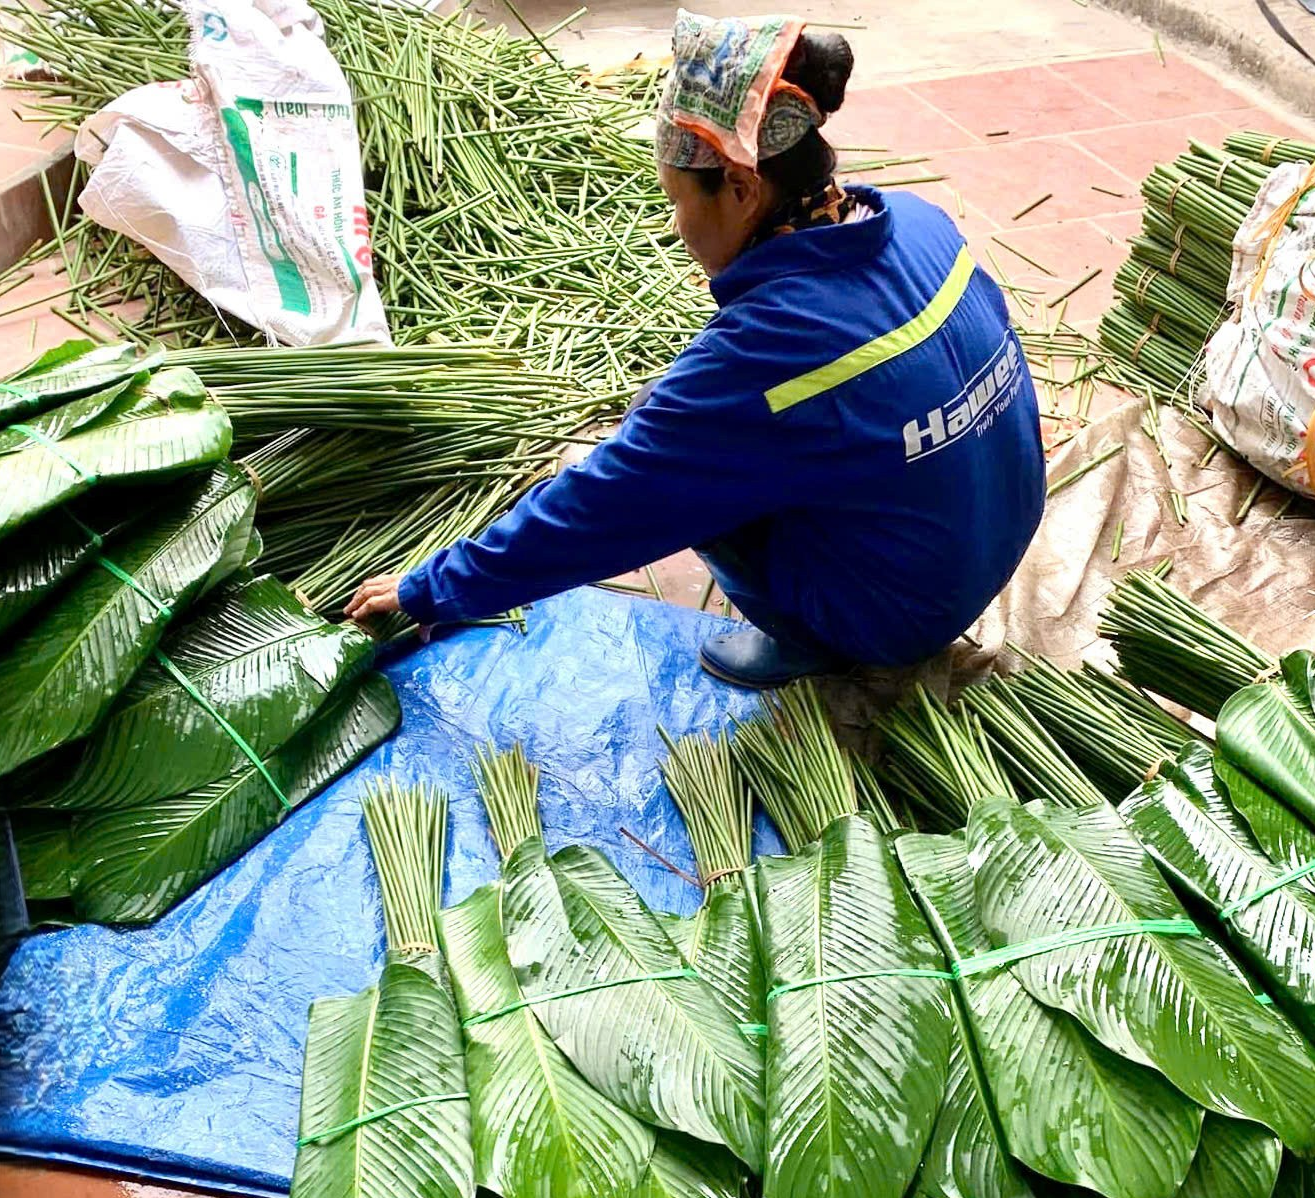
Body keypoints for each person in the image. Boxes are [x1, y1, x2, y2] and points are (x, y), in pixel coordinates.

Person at [346, 10, 1045, 689]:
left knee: (681, 445)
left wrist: (430, 590)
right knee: (755, 434)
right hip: (1004, 530)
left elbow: (609, 505)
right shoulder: (922, 221)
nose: (676, 226)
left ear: (741, 189)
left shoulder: (772, 352)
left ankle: (816, 639)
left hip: (899, 616)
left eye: (677, 200)